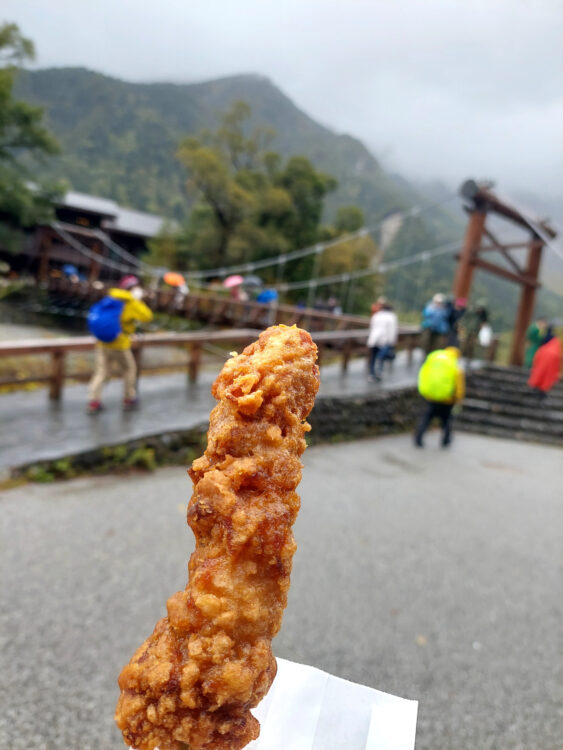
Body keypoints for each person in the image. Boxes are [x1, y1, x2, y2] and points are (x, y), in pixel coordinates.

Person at [87, 275, 153, 413]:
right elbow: (147, 316)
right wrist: (137, 300)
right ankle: (129, 398)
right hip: (119, 343)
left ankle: (94, 401)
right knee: (129, 369)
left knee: (101, 371)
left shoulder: (112, 297)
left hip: (103, 342)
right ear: (134, 288)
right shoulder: (130, 302)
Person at [414, 347, 465, 447]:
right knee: (446, 420)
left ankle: (418, 438)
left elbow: (423, 374)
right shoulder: (455, 365)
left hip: (431, 396)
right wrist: (458, 399)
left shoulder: (434, 359)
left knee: (427, 418)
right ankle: (445, 441)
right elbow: (459, 386)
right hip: (447, 399)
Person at [367, 298, 398, 381]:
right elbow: (392, 330)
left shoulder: (376, 315)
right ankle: (379, 372)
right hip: (384, 340)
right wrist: (392, 341)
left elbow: (372, 327)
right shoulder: (391, 317)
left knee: (374, 357)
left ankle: (371, 373)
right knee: (380, 357)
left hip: (374, 339)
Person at [528, 326, 561, 400]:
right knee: (547, 376)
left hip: (544, 355)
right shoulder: (555, 341)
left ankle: (537, 389)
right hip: (553, 358)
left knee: (540, 372)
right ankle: (542, 391)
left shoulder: (546, 339)